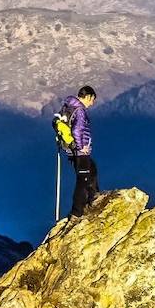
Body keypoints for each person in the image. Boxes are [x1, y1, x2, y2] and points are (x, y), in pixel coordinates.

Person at [60, 85, 99, 218]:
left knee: (92, 170)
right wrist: (81, 146)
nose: (92, 103)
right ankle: (77, 212)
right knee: (82, 180)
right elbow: (77, 130)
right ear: (87, 96)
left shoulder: (68, 107)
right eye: (92, 99)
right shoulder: (80, 110)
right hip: (80, 152)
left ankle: (94, 198)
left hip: (71, 151)